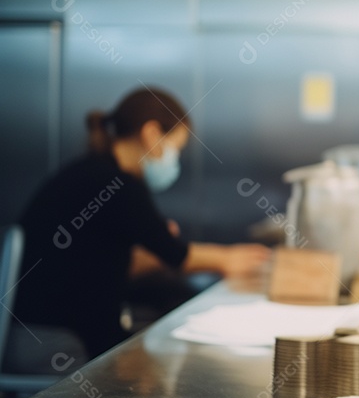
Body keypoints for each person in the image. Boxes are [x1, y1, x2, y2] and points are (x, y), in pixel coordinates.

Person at [12, 86, 271, 361]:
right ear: (151, 134)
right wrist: (226, 258)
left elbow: (101, 262)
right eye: (175, 149)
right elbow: (175, 255)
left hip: (34, 325)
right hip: (55, 337)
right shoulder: (117, 184)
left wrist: (155, 249)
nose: (174, 161)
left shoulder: (93, 171)